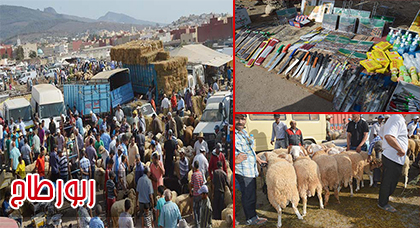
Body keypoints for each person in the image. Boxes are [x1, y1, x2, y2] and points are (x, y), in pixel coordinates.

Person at [235, 114, 267, 225]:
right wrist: (234, 160)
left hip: (251, 169)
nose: (240, 122)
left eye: (243, 119)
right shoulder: (233, 135)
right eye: (237, 119)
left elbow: (250, 150)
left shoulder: (243, 132)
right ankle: (251, 218)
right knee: (248, 195)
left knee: (251, 193)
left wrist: (258, 159)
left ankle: (252, 214)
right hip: (243, 171)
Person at [378, 114, 408, 213]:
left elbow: (382, 133)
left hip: (392, 156)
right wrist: (400, 149)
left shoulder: (393, 119)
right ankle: (383, 203)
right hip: (393, 157)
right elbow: (388, 136)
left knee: (389, 180)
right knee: (389, 182)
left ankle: (384, 198)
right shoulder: (397, 118)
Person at [190, 161, 204, 227]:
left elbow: (192, 184)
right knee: (200, 208)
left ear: (194, 167)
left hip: (195, 194)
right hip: (200, 194)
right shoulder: (200, 174)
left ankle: (197, 224)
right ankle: (200, 222)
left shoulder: (193, 175)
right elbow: (202, 183)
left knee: (195, 210)